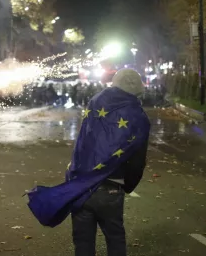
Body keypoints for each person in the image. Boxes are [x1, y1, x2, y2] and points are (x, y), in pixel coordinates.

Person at [27, 69, 150, 256]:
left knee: (83, 242)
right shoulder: (138, 116)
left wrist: (74, 176)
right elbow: (137, 160)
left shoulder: (96, 101)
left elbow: (84, 142)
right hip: (112, 187)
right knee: (115, 239)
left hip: (81, 185)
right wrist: (129, 184)